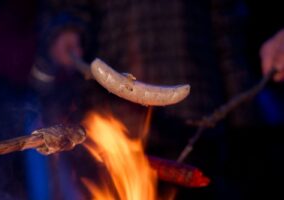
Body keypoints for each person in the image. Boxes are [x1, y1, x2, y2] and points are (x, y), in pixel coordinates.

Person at [29, 0, 272, 199]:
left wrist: (244, 120)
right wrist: (65, 29)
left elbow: (226, 29)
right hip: (114, 117)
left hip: (196, 115)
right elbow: (66, 8)